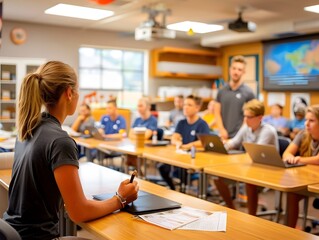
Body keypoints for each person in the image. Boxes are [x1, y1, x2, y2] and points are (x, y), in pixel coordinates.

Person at [3, 61, 139, 240]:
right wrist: (119, 199)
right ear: (69, 93)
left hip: (11, 232)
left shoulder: (27, 129)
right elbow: (79, 213)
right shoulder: (60, 141)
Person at [213, 99, 278, 213]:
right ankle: (231, 209)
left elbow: (255, 153)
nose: (245, 120)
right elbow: (234, 142)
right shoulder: (246, 128)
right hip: (250, 165)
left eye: (249, 117)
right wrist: (222, 146)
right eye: (245, 116)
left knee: (250, 182)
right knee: (218, 177)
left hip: (267, 169)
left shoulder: (268, 131)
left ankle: (251, 217)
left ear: (260, 117)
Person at [158, 95, 210, 190]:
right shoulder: (181, 123)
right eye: (185, 104)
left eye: (189, 105)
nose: (185, 107)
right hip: (181, 157)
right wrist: (177, 143)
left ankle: (183, 191)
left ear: (197, 108)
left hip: (195, 160)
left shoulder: (202, 124)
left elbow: (204, 143)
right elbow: (174, 138)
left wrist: (188, 146)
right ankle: (173, 189)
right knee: (162, 167)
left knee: (182, 171)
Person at [283, 105, 319, 228]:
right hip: (306, 179)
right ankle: (290, 232)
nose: (306, 124)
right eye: (306, 120)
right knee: (292, 193)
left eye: (312, 120)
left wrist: (299, 159)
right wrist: (290, 158)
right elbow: (286, 153)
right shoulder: (303, 134)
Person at [214, 55, 255, 140]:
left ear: (244, 72)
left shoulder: (249, 93)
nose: (236, 72)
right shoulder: (221, 91)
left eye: (239, 70)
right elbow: (217, 112)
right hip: (223, 136)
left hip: (241, 138)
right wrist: (221, 130)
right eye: (234, 68)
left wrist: (239, 135)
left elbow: (250, 116)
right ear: (230, 69)